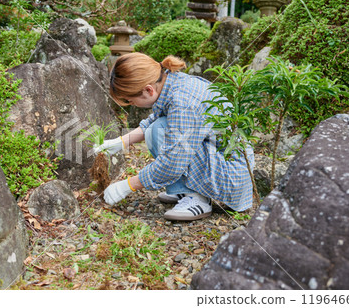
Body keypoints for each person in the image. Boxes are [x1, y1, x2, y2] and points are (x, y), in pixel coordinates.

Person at [94, 52, 254, 221]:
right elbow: (154, 119)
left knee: (159, 131)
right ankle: (183, 190)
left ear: (148, 90)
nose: (132, 105)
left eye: (131, 101)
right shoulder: (171, 81)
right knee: (156, 128)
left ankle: (198, 199)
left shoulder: (183, 103)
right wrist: (121, 142)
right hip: (219, 161)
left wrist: (127, 186)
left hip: (230, 179)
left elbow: (173, 161)